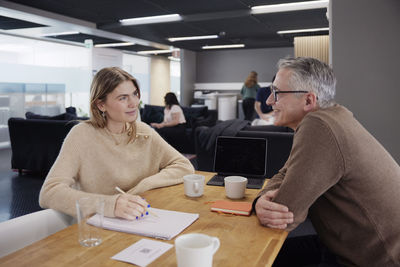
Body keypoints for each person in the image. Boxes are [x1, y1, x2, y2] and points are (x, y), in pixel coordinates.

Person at [254, 57, 400, 266]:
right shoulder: (334, 116)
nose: (269, 101)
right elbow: (284, 173)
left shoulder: (319, 127)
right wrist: (260, 200)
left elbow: (285, 213)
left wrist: (264, 203)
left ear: (308, 101)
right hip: (352, 248)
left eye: (277, 93)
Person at [39, 67, 194, 220]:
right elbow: (49, 192)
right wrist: (109, 205)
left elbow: (183, 166)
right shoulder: (81, 135)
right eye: (123, 98)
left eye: (134, 94)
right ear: (101, 105)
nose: (133, 103)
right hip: (98, 227)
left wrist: (143, 187)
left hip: (139, 217)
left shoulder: (143, 131)